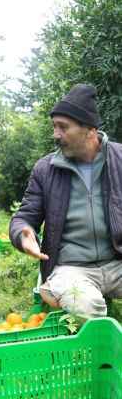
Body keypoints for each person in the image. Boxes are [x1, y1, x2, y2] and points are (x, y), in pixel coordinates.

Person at [9, 84, 122, 318]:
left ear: (90, 130)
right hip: (72, 268)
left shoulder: (119, 160)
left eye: (63, 127)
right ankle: (106, 351)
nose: (56, 134)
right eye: (54, 127)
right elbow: (24, 217)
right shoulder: (45, 169)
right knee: (84, 306)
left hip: (117, 262)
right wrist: (23, 234)